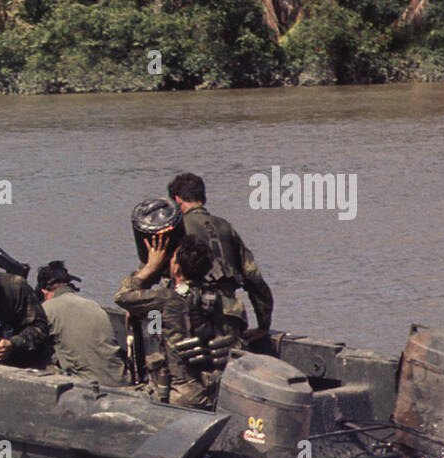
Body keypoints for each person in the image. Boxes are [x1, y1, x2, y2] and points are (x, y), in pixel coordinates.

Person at [113, 233, 230, 410]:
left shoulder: (168, 298)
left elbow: (122, 296)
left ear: (177, 269)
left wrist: (150, 267)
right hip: (212, 392)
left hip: (180, 396)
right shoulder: (215, 297)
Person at [168, 172, 273, 344]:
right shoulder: (225, 227)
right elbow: (254, 279)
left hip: (189, 315)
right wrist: (263, 325)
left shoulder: (177, 229)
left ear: (177, 200)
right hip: (230, 315)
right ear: (203, 198)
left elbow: (152, 270)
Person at [37, 261, 129, 386]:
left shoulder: (47, 309)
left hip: (88, 385)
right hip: (119, 381)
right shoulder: (92, 305)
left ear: (44, 292)